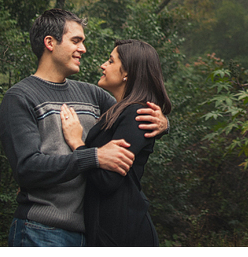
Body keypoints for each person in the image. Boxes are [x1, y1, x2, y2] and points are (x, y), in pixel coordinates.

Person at [0, 8, 169, 247]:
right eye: (76, 41)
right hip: (42, 230)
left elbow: (131, 114)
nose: (83, 49)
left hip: (91, 234)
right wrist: (94, 156)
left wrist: (162, 122)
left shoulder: (92, 94)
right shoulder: (20, 97)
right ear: (50, 42)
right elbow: (27, 168)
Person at [60, 39, 171, 246]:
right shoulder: (118, 110)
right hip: (109, 229)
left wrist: (77, 143)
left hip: (123, 234)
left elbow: (107, 180)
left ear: (127, 73)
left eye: (110, 61)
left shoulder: (137, 114)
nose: (103, 66)